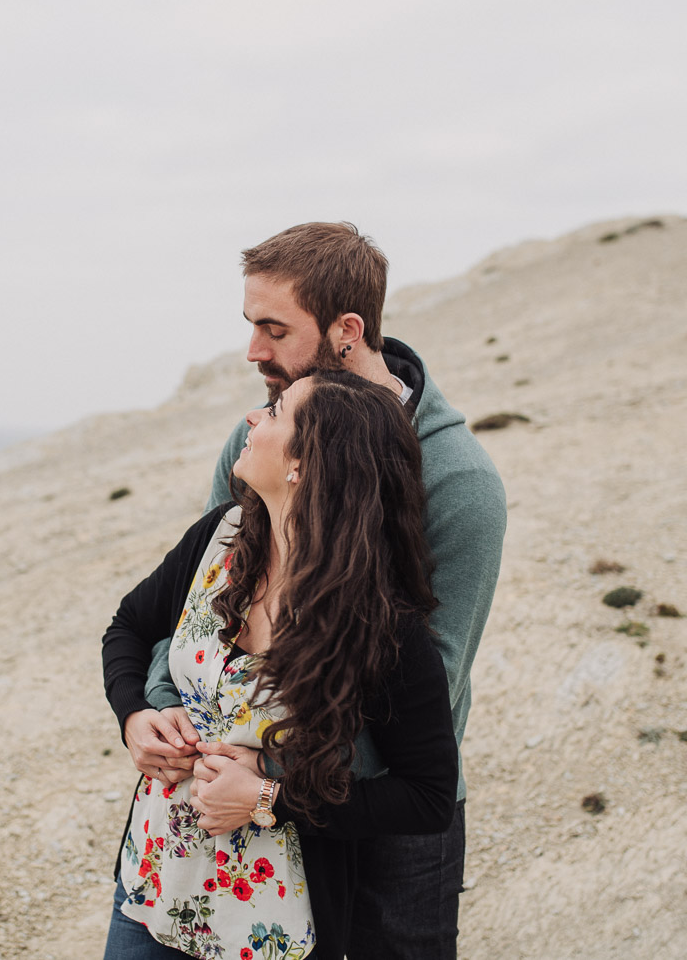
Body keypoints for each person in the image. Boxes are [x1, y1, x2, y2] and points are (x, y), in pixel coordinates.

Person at [126, 222, 507, 959]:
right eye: (250, 326)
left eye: (274, 328)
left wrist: (272, 782)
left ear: (347, 330)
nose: (253, 352)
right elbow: (199, 606)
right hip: (230, 793)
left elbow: (433, 672)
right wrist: (163, 711)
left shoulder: (462, 483)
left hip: (383, 807)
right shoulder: (253, 442)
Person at [101, 370, 458, 960]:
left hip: (275, 928)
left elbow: (429, 795)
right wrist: (135, 715)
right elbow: (130, 628)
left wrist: (269, 797)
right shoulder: (217, 540)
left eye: (273, 411)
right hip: (152, 883)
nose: (252, 418)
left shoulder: (376, 620)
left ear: (304, 463)